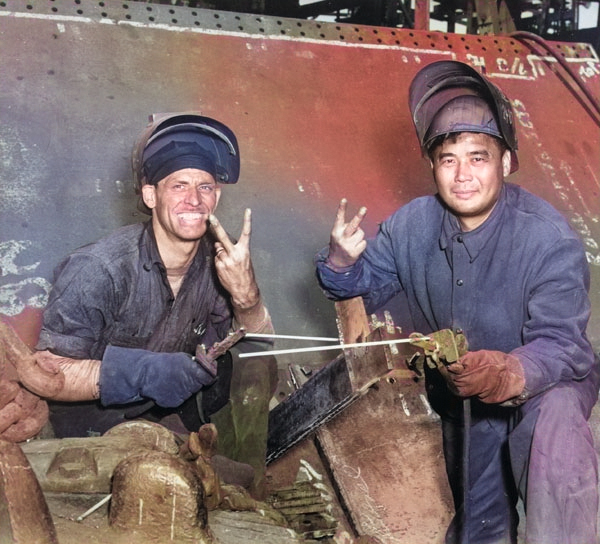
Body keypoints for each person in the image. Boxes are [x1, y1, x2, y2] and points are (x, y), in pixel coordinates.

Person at [315, 60, 600, 544]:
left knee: (553, 444)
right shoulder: (414, 224)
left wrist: (506, 372)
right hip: (465, 398)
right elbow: (363, 287)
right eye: (449, 159)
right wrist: (342, 262)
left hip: (545, 389)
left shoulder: (549, 239)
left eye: (478, 157)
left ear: (506, 162)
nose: (462, 175)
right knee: (478, 528)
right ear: (432, 166)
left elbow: (562, 345)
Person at [29, 113, 277, 495]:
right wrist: (143, 373)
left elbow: (262, 348)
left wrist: (248, 297)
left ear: (217, 197)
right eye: (179, 185)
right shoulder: (98, 269)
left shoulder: (221, 262)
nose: (194, 200)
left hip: (163, 419)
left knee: (240, 471)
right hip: (86, 431)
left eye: (205, 187)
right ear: (151, 195)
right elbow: (47, 373)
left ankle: (246, 486)